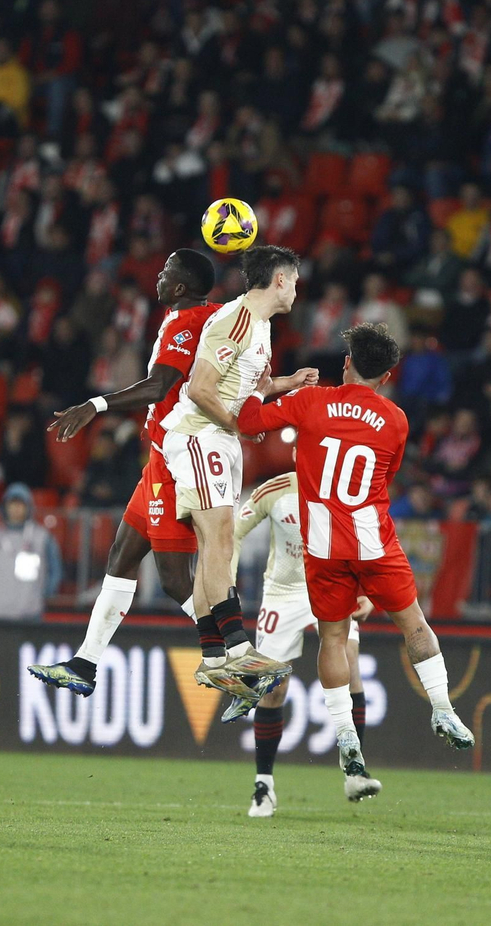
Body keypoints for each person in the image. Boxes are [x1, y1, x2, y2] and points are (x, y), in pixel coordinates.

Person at [237, 322, 475, 792]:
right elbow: (385, 476)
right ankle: (443, 709)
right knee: (415, 625)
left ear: (346, 364)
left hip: (323, 546)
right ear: (386, 376)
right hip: (373, 541)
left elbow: (248, 422)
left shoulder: (311, 400)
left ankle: (345, 734)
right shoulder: (397, 419)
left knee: (333, 638)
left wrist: (265, 387)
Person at [27, 249, 219, 696]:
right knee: (122, 556)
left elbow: (159, 385)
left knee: (174, 580)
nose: (158, 275)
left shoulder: (185, 324)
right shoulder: (201, 316)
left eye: (166, 271)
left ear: (180, 287)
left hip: (174, 463)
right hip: (160, 457)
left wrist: (95, 405)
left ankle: (234, 651)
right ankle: (85, 664)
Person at [159, 245, 315, 701]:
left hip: (220, 438)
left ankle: (213, 658)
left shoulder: (261, 326)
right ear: (280, 280)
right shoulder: (237, 319)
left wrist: (286, 384)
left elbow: (248, 386)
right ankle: (239, 648)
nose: (297, 289)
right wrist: (238, 425)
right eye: (295, 280)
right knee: (220, 540)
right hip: (201, 435)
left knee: (215, 545)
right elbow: (200, 387)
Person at [234, 470, 377, 817]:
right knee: (273, 687)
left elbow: (368, 539)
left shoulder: (344, 489)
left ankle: (354, 771)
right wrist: (226, 583)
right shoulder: (274, 489)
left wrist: (369, 591)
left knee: (350, 663)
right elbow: (233, 532)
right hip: (283, 593)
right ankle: (263, 786)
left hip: (330, 586)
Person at [0, 483, 63, 621]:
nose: (16, 508)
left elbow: (55, 570)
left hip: (28, 614)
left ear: (28, 507)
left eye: (20, 504)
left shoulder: (42, 537)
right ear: (5, 507)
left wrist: (43, 594)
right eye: (12, 504)